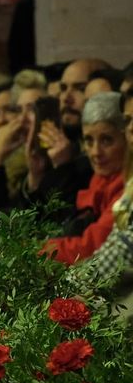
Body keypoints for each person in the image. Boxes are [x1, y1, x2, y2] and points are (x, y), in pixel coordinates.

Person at [44, 92, 127, 263]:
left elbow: (91, 247)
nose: (96, 152)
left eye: (106, 140)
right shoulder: (99, 177)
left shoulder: (127, 187)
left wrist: (33, 250)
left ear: (127, 138)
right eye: (89, 141)